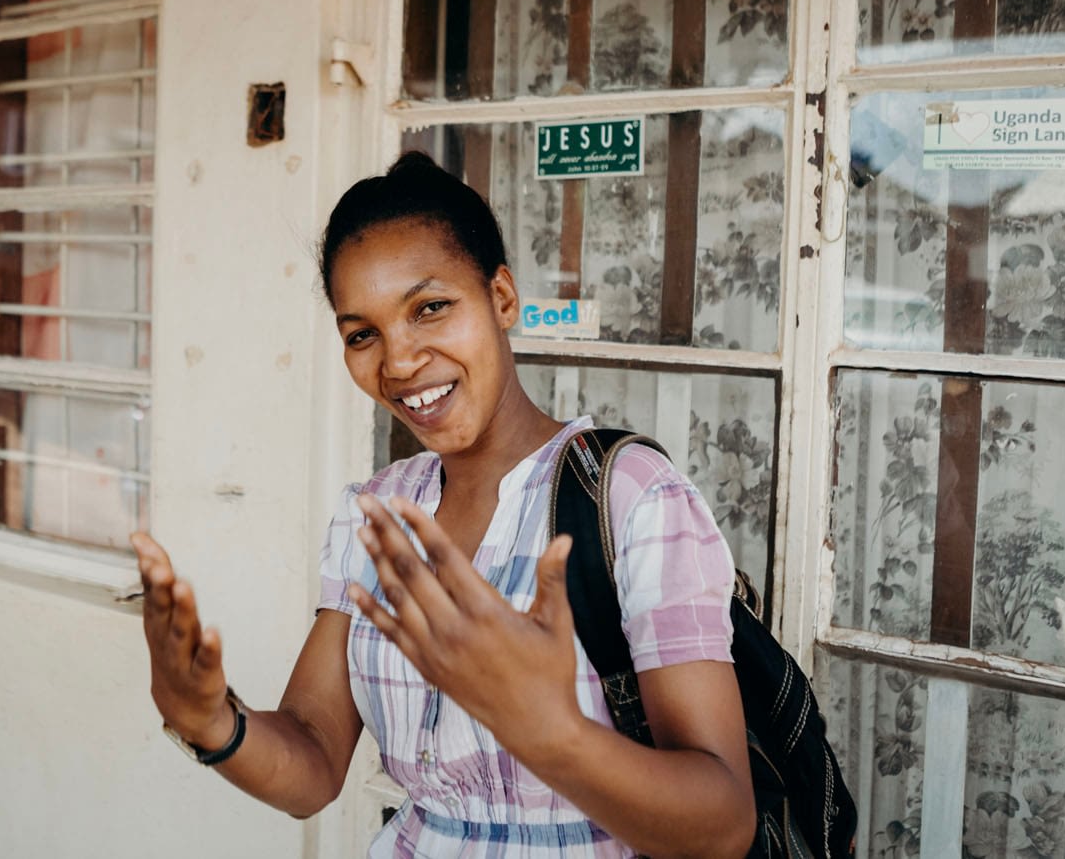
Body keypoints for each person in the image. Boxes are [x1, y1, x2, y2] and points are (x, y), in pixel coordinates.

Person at [131, 151, 756, 859]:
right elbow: (313, 759)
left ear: (502, 299)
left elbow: (724, 823)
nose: (397, 361)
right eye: (362, 333)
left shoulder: (630, 498)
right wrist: (212, 721)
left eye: (430, 307)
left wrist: (554, 733)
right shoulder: (378, 513)